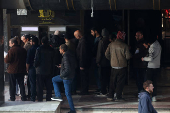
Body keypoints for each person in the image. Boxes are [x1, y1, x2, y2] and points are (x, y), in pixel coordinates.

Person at [105, 31, 131, 101]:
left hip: (113, 66)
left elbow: (106, 54)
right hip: (122, 67)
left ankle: (110, 96)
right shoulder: (124, 45)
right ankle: (118, 96)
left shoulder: (111, 44)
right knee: (120, 82)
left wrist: (112, 59)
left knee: (112, 81)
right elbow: (128, 57)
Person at [51, 44, 76, 113]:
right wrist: (62, 66)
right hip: (70, 76)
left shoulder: (65, 56)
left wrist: (62, 75)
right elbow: (70, 65)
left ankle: (72, 110)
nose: (59, 50)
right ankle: (58, 95)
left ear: (63, 50)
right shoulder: (70, 55)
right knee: (54, 79)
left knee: (68, 94)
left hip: (66, 77)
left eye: (59, 49)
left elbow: (68, 69)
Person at [34, 36, 55, 101]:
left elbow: (37, 60)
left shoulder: (39, 49)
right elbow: (53, 60)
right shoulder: (51, 49)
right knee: (49, 86)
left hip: (40, 70)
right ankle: (48, 98)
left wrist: (35, 65)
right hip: (49, 70)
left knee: (40, 86)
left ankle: (40, 99)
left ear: (41, 42)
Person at [141, 37, 161, 102]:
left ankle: (147, 96)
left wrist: (144, 59)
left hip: (151, 67)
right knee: (155, 82)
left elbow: (150, 58)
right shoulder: (159, 45)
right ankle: (154, 96)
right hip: (157, 66)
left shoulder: (152, 47)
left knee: (148, 82)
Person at [74, 30, 90, 95]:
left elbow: (82, 54)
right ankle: (84, 90)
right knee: (84, 77)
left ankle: (84, 90)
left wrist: (81, 64)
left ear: (78, 36)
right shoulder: (83, 40)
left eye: (75, 36)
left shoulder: (83, 41)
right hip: (84, 62)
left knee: (84, 77)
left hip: (83, 63)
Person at [96, 28, 111, 96]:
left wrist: (98, 61)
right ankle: (109, 90)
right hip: (109, 62)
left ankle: (103, 91)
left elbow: (99, 52)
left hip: (103, 62)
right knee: (109, 77)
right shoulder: (110, 41)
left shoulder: (101, 41)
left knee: (102, 77)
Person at [26, 36, 39, 101]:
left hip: (32, 68)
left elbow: (28, 61)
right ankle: (39, 96)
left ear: (33, 42)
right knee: (39, 82)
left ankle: (33, 97)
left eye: (31, 41)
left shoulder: (30, 50)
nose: (30, 42)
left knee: (32, 83)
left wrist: (27, 69)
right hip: (39, 68)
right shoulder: (40, 48)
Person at [91, 27, 102, 93]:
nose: (91, 33)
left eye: (92, 32)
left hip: (97, 59)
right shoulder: (96, 39)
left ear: (96, 31)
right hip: (95, 58)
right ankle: (99, 86)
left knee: (98, 74)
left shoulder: (99, 39)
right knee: (97, 74)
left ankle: (100, 87)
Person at [21, 34, 32, 99]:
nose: (22, 41)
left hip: (27, 64)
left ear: (27, 39)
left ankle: (29, 94)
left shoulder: (27, 46)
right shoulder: (28, 45)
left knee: (28, 80)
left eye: (23, 39)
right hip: (29, 64)